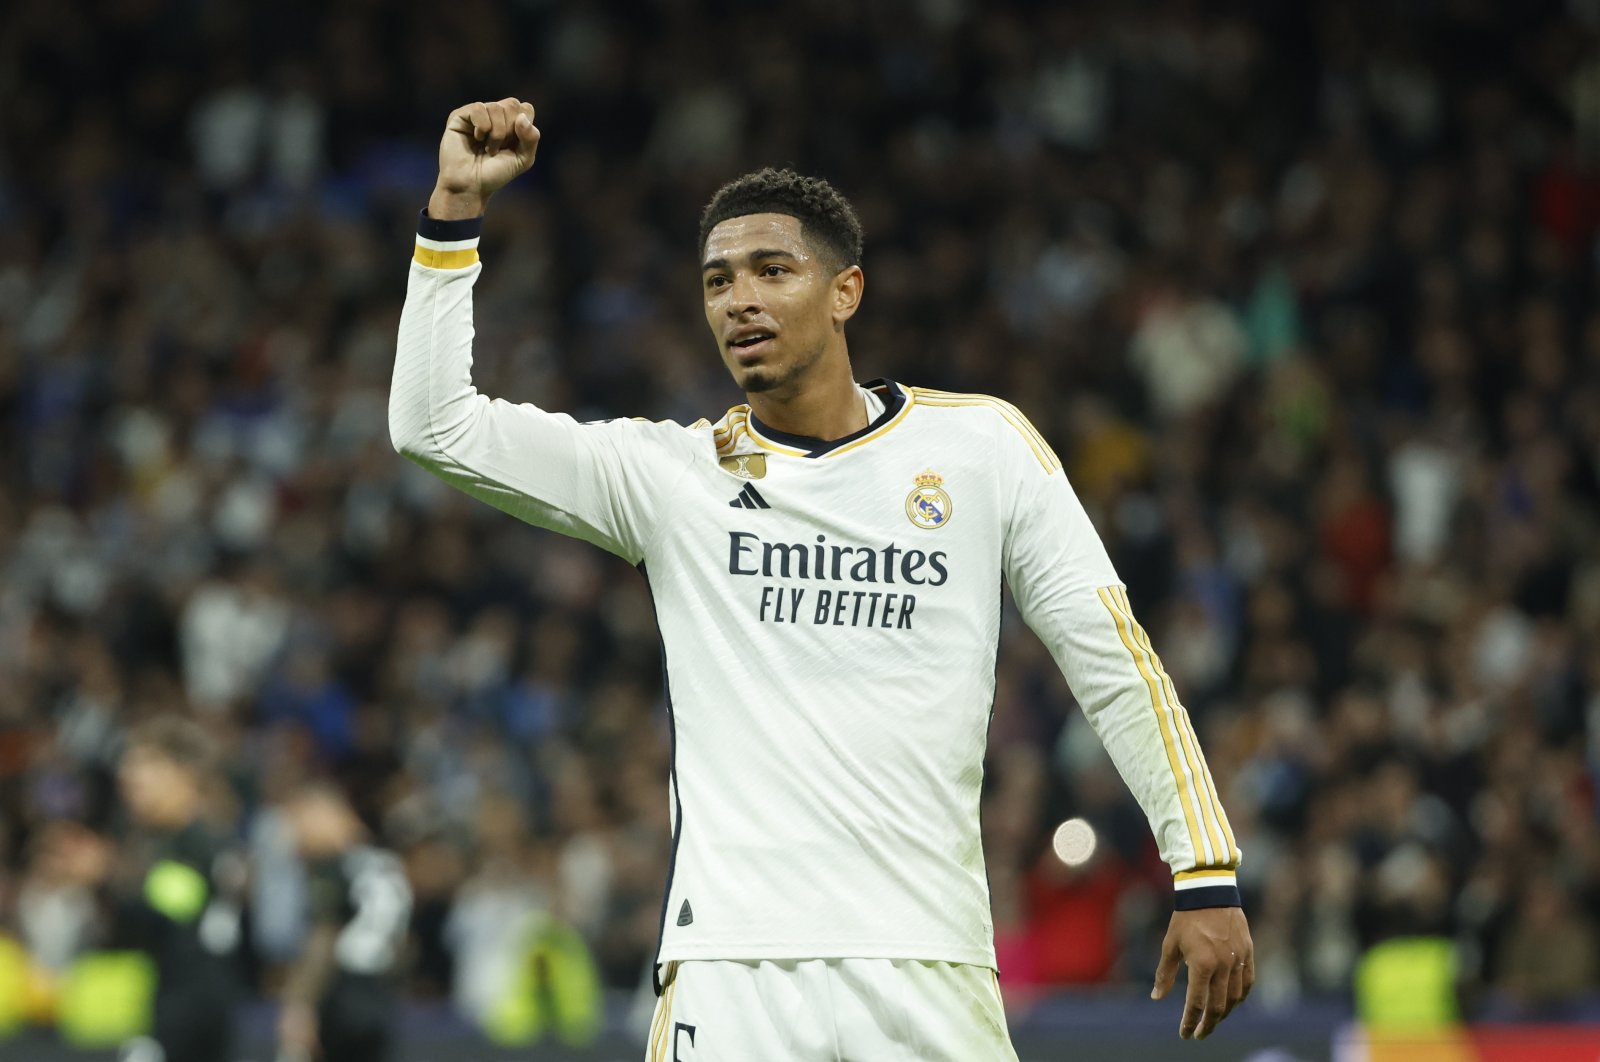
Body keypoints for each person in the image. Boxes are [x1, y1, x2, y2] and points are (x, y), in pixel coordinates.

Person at [391, 97, 1255, 1059]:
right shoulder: (670, 477)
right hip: (732, 970)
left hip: (927, 962)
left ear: (846, 291)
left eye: (772, 270)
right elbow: (434, 427)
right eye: (717, 280)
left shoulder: (981, 448)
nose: (739, 299)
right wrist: (453, 212)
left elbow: (1110, 655)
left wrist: (1203, 868)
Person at [50, 716, 245, 1062]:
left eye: (146, 767)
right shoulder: (159, 842)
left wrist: (106, 875)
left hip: (197, 1022)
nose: (130, 780)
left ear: (185, 774)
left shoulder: (201, 841)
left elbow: (178, 906)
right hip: (174, 1010)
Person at [276, 783, 412, 1062]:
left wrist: (298, 1007)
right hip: (380, 995)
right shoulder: (386, 863)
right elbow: (402, 944)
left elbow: (324, 938)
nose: (297, 835)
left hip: (340, 994)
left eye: (301, 821)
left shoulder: (334, 866)